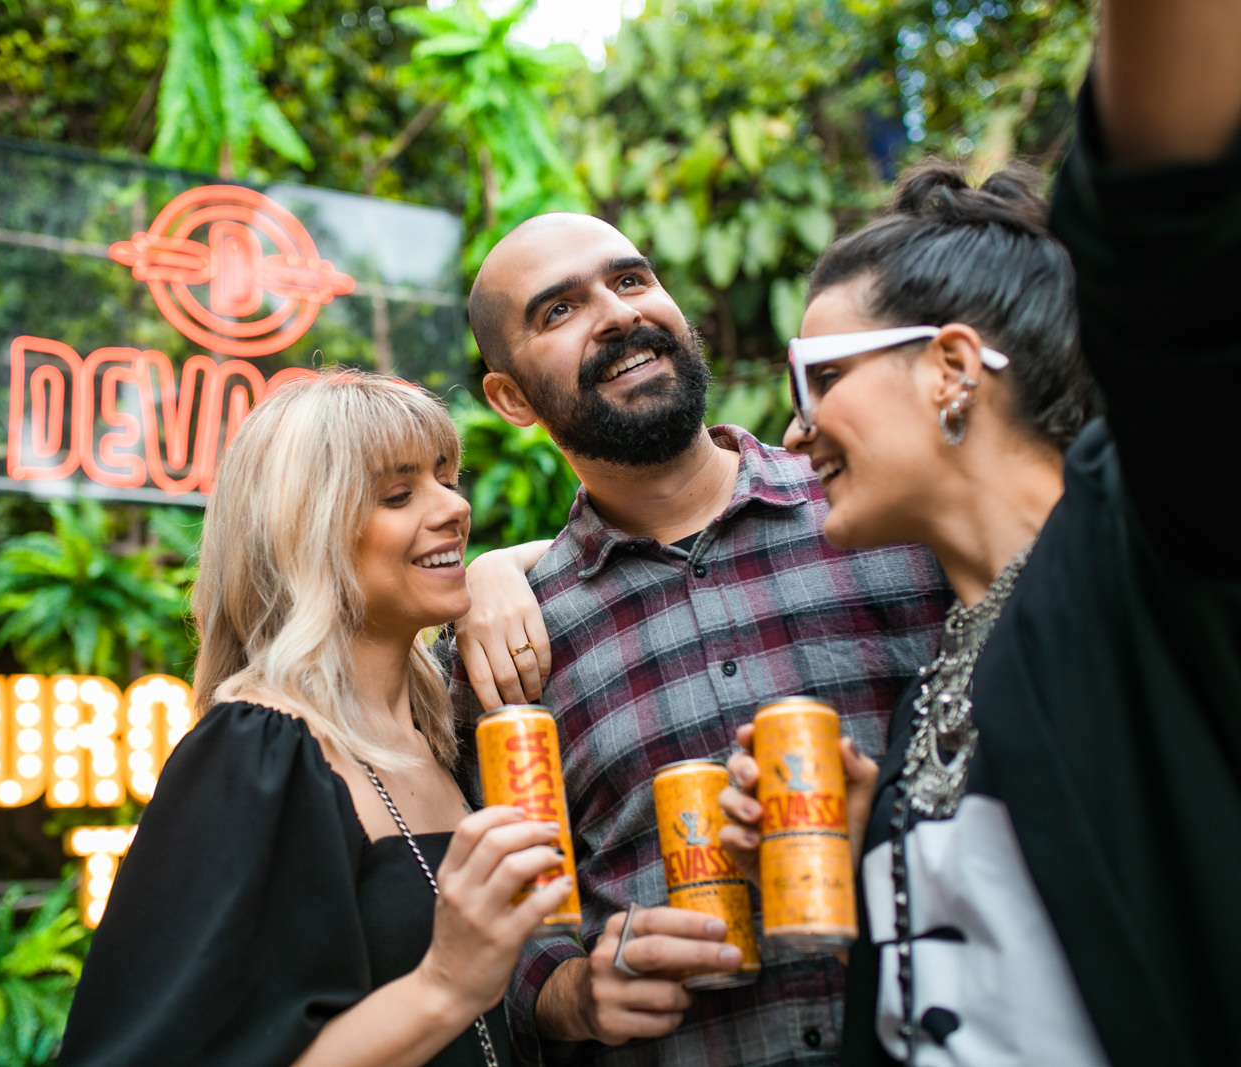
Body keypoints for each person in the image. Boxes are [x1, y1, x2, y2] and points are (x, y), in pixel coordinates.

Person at [717, 2, 1241, 1062]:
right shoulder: (933, 688)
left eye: (819, 378)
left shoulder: (1152, 541)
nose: (794, 428)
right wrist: (882, 839)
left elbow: (1169, 213)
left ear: (952, 366)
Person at [449, 210, 949, 1065]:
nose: (617, 313)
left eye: (631, 279)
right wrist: (570, 993)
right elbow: (488, 911)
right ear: (511, 400)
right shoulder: (509, 644)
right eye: (559, 309)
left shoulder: (887, 512)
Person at [56, 371, 574, 1067]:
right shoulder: (255, 753)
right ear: (307, 534)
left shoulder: (444, 730)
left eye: (447, 479)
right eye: (398, 494)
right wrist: (444, 986)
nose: (454, 507)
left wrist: (496, 568)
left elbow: (600, 544)